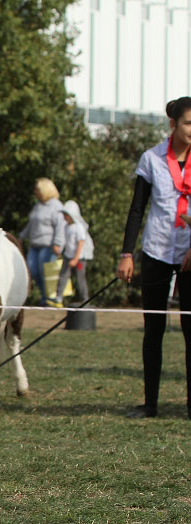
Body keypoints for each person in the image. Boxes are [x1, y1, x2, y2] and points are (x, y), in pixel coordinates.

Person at [118, 97, 191, 419]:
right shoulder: (151, 159)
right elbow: (137, 210)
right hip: (157, 250)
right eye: (188, 123)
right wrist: (127, 254)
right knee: (154, 329)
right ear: (173, 124)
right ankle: (150, 404)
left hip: (190, 253)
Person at [19, 177, 66, 306]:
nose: (35, 191)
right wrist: (22, 236)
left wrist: (58, 244)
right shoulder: (38, 206)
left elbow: (60, 227)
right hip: (34, 245)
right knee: (32, 272)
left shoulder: (56, 206)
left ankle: (48, 299)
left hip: (48, 246)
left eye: (37, 189)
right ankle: (46, 296)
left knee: (45, 273)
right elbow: (31, 224)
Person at [48, 200, 93, 307]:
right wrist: (60, 251)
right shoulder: (66, 227)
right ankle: (58, 298)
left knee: (80, 279)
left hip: (79, 259)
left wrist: (76, 259)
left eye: (66, 214)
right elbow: (66, 241)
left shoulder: (79, 228)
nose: (64, 217)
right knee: (63, 276)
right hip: (68, 257)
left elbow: (81, 244)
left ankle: (85, 299)